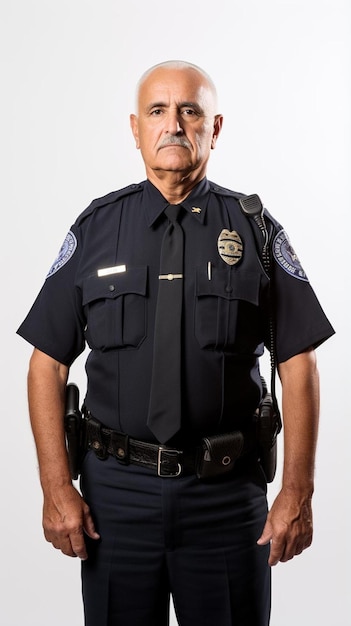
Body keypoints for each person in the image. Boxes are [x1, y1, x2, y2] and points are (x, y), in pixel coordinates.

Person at [17, 60, 334, 626]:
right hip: (115, 499)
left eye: (190, 110)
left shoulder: (257, 231)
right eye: (158, 111)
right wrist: (55, 487)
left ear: (214, 128)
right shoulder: (95, 229)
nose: (174, 125)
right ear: (135, 129)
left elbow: (299, 363)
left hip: (226, 497)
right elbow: (45, 365)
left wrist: (297, 491)